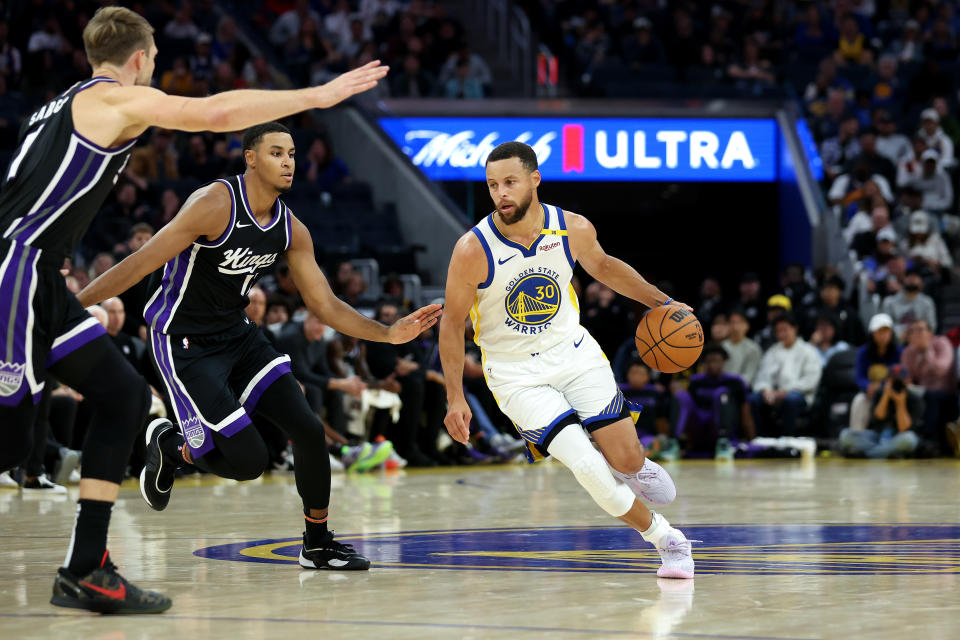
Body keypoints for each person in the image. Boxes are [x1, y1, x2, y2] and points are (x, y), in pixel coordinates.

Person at [0, 6, 388, 615]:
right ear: (138, 61)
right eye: (153, 64)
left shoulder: (61, 105)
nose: (154, 76)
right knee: (6, 443)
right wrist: (320, 93)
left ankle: (85, 570)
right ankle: (89, 561)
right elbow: (213, 113)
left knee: (124, 398)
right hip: (19, 272)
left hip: (39, 278)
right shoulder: (112, 99)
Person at [78, 123, 441, 575]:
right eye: (275, 153)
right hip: (183, 341)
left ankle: (318, 542)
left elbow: (324, 304)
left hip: (238, 334)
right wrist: (70, 306)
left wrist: (387, 333)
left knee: (308, 428)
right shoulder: (213, 204)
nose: (288, 161)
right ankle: (172, 446)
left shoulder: (291, 229)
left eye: (291, 153)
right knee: (249, 462)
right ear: (250, 158)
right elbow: (138, 263)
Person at [438, 141, 694, 579]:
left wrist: (662, 301)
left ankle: (635, 467)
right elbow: (451, 325)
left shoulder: (571, 228)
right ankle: (666, 539)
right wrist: (455, 398)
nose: (501, 193)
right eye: (493, 184)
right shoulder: (471, 249)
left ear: (534, 180)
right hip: (516, 375)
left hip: (574, 353)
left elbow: (606, 267)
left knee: (625, 459)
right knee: (586, 464)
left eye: (510, 182)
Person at [749, 314, 823, 437]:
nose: (781, 334)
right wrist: (766, 389)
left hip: (799, 394)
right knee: (753, 399)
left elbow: (810, 380)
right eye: (778, 331)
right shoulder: (773, 351)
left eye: (785, 329)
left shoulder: (808, 350)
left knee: (790, 400)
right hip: (774, 393)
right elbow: (763, 376)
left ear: (795, 329)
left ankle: (787, 439)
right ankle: (760, 438)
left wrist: (786, 391)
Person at [722, 307, 762, 386]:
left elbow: (749, 377)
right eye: (732, 322)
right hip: (720, 386)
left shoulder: (753, 348)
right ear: (727, 325)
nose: (735, 326)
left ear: (747, 326)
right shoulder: (722, 346)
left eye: (739, 322)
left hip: (741, 389)